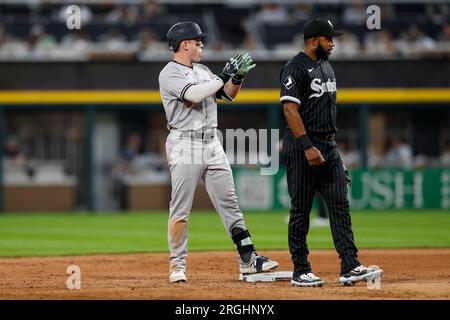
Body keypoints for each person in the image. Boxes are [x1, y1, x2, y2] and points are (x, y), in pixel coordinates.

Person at [158, 21, 278, 283]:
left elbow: (227, 95)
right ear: (184, 44)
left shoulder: (202, 69)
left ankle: (248, 259)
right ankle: (176, 265)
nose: (201, 45)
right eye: (197, 41)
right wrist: (224, 75)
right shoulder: (169, 73)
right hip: (185, 143)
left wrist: (237, 78)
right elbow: (195, 95)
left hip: (212, 142)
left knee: (230, 204)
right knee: (180, 209)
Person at [280, 18, 382, 287]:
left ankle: (350, 264)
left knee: (340, 206)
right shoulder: (295, 67)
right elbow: (290, 110)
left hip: (328, 146)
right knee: (301, 210)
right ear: (314, 40)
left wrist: (331, 150)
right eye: (329, 39)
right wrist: (307, 147)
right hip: (303, 146)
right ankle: (301, 269)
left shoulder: (327, 66)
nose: (333, 43)